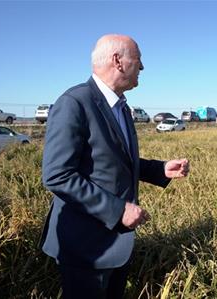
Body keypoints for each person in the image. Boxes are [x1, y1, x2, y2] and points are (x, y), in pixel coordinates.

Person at [41, 34, 190, 299]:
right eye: (138, 59)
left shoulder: (120, 106)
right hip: (86, 248)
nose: (142, 67)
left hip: (117, 244)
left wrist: (160, 169)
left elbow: (113, 161)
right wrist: (117, 209)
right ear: (118, 61)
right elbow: (57, 175)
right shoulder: (74, 103)